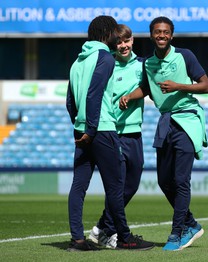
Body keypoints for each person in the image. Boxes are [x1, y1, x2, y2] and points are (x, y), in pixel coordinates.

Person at [119, 16, 208, 251]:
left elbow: (205, 85)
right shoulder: (147, 63)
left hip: (187, 119)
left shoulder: (185, 55)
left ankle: (177, 232)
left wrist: (179, 86)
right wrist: (130, 95)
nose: (162, 35)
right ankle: (190, 223)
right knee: (163, 181)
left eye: (166, 32)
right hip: (166, 122)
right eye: (157, 32)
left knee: (181, 180)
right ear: (151, 35)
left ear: (171, 35)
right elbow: (147, 88)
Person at [66, 16, 154, 251]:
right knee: (115, 186)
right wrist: (93, 129)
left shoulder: (77, 62)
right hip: (102, 129)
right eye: (115, 32)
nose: (118, 37)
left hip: (82, 130)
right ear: (107, 33)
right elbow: (95, 95)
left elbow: (70, 101)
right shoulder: (104, 57)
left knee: (78, 186)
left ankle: (77, 239)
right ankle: (124, 238)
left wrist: (80, 126)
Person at [87, 24, 148, 249]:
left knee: (131, 185)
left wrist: (131, 96)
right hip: (113, 133)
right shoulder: (107, 63)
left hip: (135, 133)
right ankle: (109, 232)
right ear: (114, 43)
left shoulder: (143, 65)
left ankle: (101, 227)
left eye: (127, 41)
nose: (123, 46)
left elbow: (148, 88)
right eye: (119, 42)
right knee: (117, 184)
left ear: (133, 40)